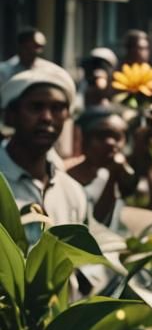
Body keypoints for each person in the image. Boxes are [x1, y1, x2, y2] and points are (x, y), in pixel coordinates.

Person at [0, 66, 88, 226]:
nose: (47, 118)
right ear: (11, 116)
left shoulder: (72, 192)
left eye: (57, 108)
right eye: (36, 107)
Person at [67, 108, 133, 228]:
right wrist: (112, 178)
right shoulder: (68, 179)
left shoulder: (119, 174)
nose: (110, 143)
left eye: (117, 137)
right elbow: (96, 226)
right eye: (101, 136)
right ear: (85, 140)